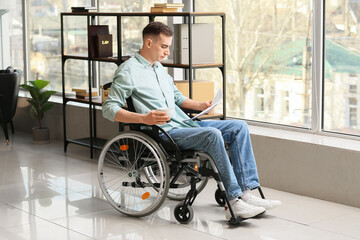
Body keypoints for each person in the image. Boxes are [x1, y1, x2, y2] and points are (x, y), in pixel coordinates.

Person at [102, 21, 281, 220]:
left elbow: (178, 98)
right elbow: (109, 109)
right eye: (164, 47)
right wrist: (145, 118)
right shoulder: (128, 71)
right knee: (212, 135)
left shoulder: (159, 69)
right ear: (149, 43)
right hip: (165, 133)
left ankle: (246, 193)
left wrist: (201, 105)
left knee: (239, 127)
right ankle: (233, 200)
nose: (167, 52)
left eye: (169, 47)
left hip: (186, 124)